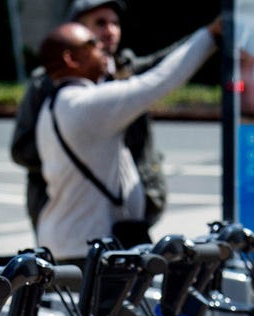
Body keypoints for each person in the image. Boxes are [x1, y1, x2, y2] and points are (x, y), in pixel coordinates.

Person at [33, 16, 222, 261]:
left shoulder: (55, 105)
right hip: (89, 250)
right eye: (92, 45)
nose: (102, 46)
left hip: (74, 244)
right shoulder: (85, 105)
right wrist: (209, 37)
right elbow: (158, 81)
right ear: (71, 59)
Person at [10, 0, 178, 232]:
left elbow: (169, 67)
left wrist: (212, 36)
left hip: (128, 218)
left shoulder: (127, 74)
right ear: (75, 30)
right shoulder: (46, 83)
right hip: (71, 219)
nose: (110, 31)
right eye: (100, 23)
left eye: (115, 23)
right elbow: (22, 148)